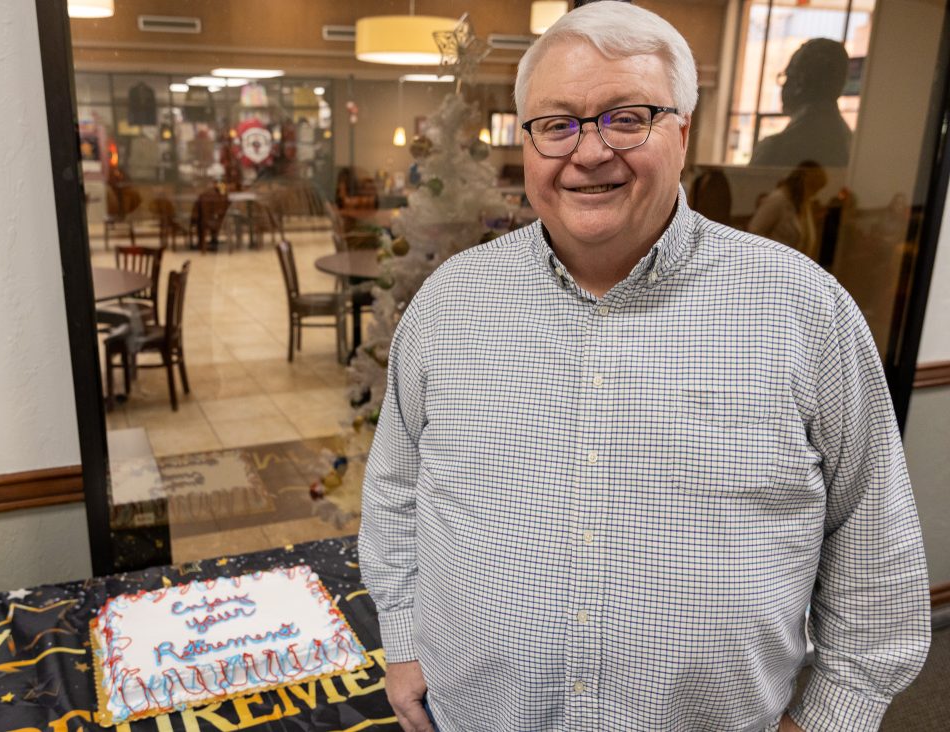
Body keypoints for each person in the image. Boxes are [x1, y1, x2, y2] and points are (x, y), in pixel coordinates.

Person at [359, 4, 930, 731]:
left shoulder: (804, 313)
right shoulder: (450, 305)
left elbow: (874, 552)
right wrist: (405, 640)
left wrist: (827, 719)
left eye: (627, 118)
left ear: (683, 132)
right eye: (556, 123)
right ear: (527, 141)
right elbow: (397, 489)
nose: (589, 152)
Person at [750, 38, 853, 167]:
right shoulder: (852, 146)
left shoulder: (774, 150)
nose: (783, 85)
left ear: (800, 82)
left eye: (788, 76)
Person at [747, 160, 828, 259]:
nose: (814, 194)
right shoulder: (779, 199)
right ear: (805, 184)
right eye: (813, 188)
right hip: (773, 264)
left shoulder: (803, 204)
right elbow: (754, 231)